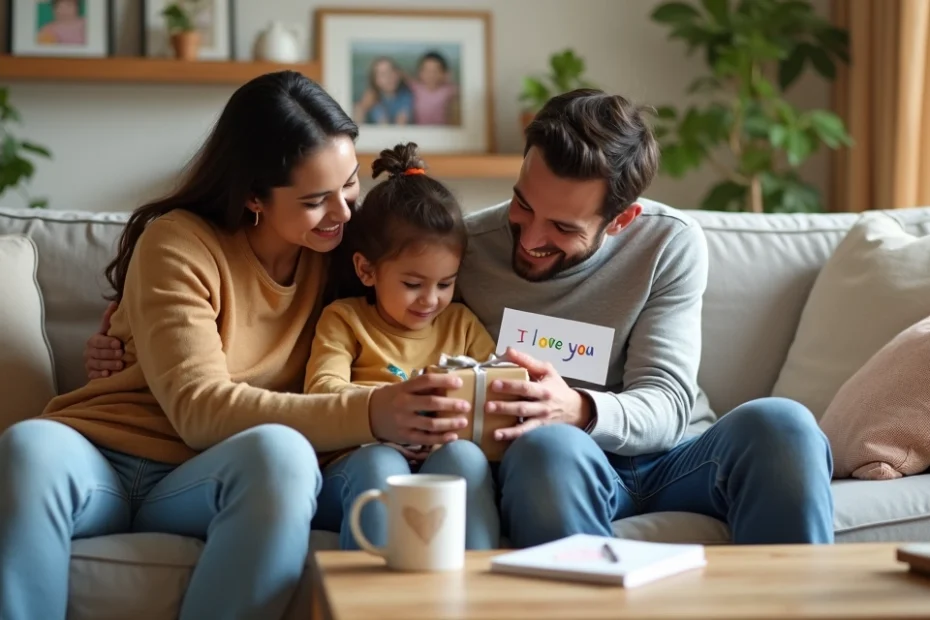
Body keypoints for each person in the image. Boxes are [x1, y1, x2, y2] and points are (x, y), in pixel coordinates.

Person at [83, 88, 835, 550]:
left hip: (665, 452)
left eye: (564, 230)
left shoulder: (671, 244)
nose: (530, 239)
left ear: (624, 219)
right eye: (521, 204)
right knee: (548, 454)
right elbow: (336, 284)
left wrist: (575, 407)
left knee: (786, 426)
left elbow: (670, 402)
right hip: (552, 462)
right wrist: (130, 329)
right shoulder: (455, 249)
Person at [0, 71, 478, 620]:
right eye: (316, 199)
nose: (345, 213)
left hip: (206, 477)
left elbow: (438, 248)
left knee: (283, 455)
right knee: (28, 446)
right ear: (254, 195)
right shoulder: (179, 242)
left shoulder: (347, 254)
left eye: (349, 184)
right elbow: (199, 409)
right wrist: (373, 412)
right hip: (103, 458)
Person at [307, 142, 499, 550]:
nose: (431, 300)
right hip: (357, 465)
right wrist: (389, 409)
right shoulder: (346, 320)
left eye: (445, 284)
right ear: (366, 270)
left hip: (440, 459)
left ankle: (482, 592)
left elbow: (492, 390)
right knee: (382, 463)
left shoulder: (461, 324)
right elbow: (321, 393)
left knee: (465, 460)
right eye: (413, 284)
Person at [353, 57, 414, 125]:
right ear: (375, 80)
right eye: (382, 74)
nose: (388, 77)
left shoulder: (406, 95)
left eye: (391, 71)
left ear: (398, 74)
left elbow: (401, 124)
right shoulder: (373, 99)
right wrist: (362, 107)